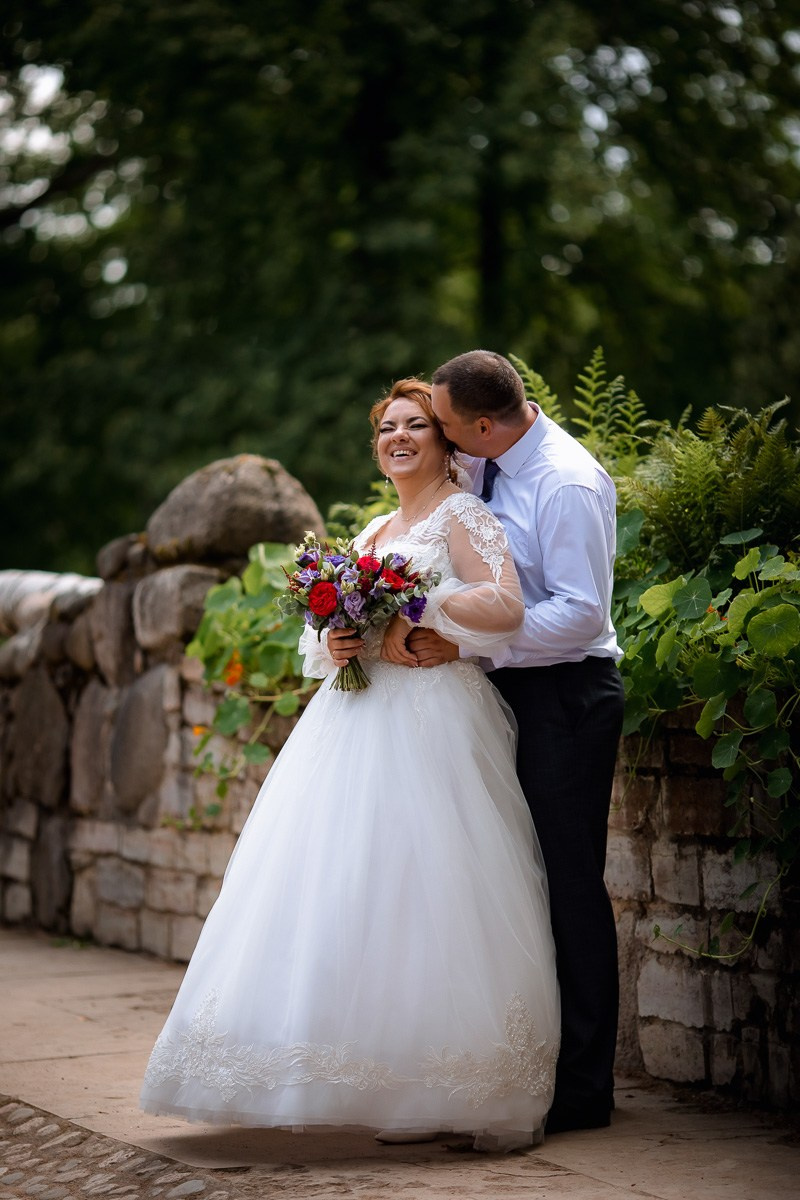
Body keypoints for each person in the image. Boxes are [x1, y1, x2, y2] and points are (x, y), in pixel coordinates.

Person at [140, 377, 559, 1153]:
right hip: (355, 719)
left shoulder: (463, 515)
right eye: (387, 428)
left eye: (416, 426)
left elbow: (505, 607)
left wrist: (419, 607)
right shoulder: (370, 532)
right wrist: (336, 640)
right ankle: (379, 1081)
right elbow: (327, 631)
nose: (399, 437)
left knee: (430, 887)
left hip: (435, 719)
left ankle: (446, 1086)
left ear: (444, 442)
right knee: (345, 887)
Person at [410, 350, 624, 1134]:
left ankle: (584, 1089)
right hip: (499, 690)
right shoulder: (485, 464)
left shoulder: (565, 482)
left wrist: (467, 643)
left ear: (487, 424)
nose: (442, 438)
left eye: (446, 427)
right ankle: (511, 1067)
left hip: (566, 694)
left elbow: (579, 613)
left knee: (567, 883)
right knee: (498, 880)